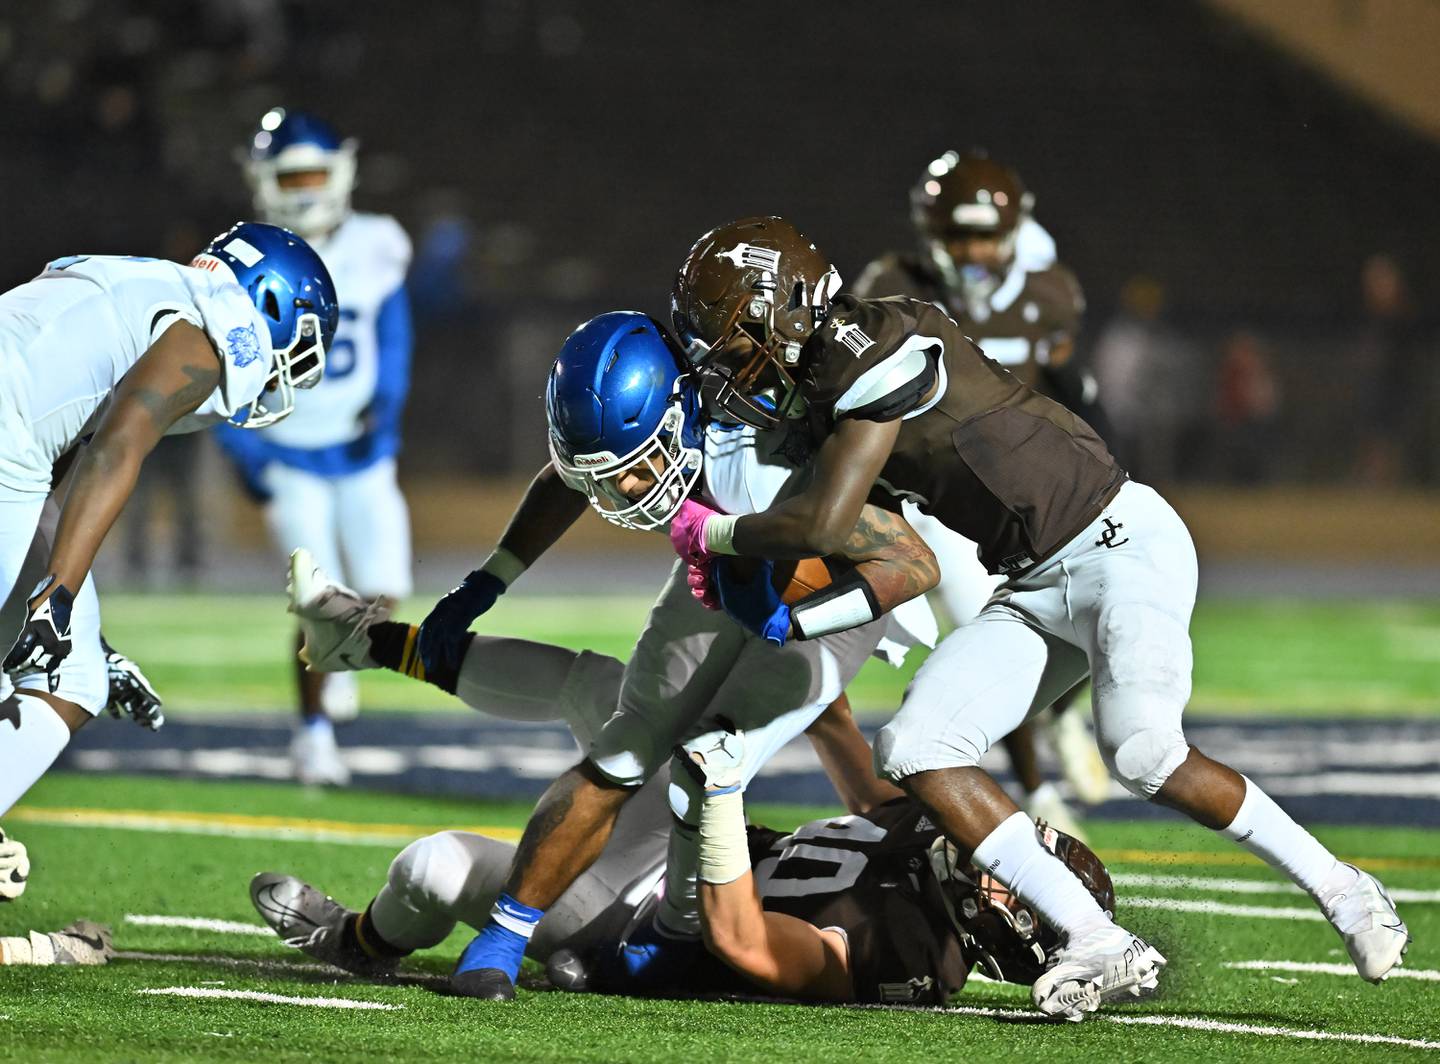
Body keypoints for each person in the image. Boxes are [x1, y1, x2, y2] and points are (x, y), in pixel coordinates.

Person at [665, 215, 1410, 1019]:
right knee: (916, 748)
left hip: (1119, 540)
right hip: (1030, 580)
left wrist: (712, 530)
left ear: (787, 308)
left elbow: (820, 522)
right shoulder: (817, 393)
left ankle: (1346, 890)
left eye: (734, 337)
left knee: (1143, 751)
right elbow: (905, 562)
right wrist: (786, 623)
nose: (730, 361)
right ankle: (1097, 938)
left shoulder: (868, 345)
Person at [394, 311, 940, 1000]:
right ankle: (506, 933)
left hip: (833, 589)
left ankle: (667, 941)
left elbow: (909, 563)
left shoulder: (761, 454)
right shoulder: (669, 418)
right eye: (609, 474)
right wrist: (490, 577)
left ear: (684, 415)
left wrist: (789, 621)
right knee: (629, 740)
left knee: (709, 758)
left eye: (635, 468)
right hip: (727, 555)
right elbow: (571, 478)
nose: (621, 495)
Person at [0, 221, 338, 818]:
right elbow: (116, 447)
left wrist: (85, 628)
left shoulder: (140, 280)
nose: (289, 368)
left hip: (15, 437)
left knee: (60, 660)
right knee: (69, 683)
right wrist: (59, 597)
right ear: (271, 303)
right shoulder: (205, 339)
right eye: (299, 348)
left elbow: (54, 487)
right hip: (8, 437)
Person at [854, 149, 1113, 830]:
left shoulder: (1048, 292)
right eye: (959, 235)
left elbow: (1065, 379)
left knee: (1090, 611)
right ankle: (1038, 792)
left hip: (1028, 485)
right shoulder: (892, 285)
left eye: (985, 236)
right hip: (942, 499)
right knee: (991, 634)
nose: (972, 251)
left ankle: (1063, 717)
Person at [214, 108, 414, 787]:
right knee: (316, 599)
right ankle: (314, 735)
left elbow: (393, 337)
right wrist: (246, 455)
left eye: (314, 173)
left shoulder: (380, 242)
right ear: (263, 178)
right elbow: (212, 362)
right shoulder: (246, 252)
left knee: (383, 591)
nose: (303, 187)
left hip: (358, 447)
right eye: (290, 174)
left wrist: (385, 415)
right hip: (288, 443)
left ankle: (342, 660)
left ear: (342, 173)